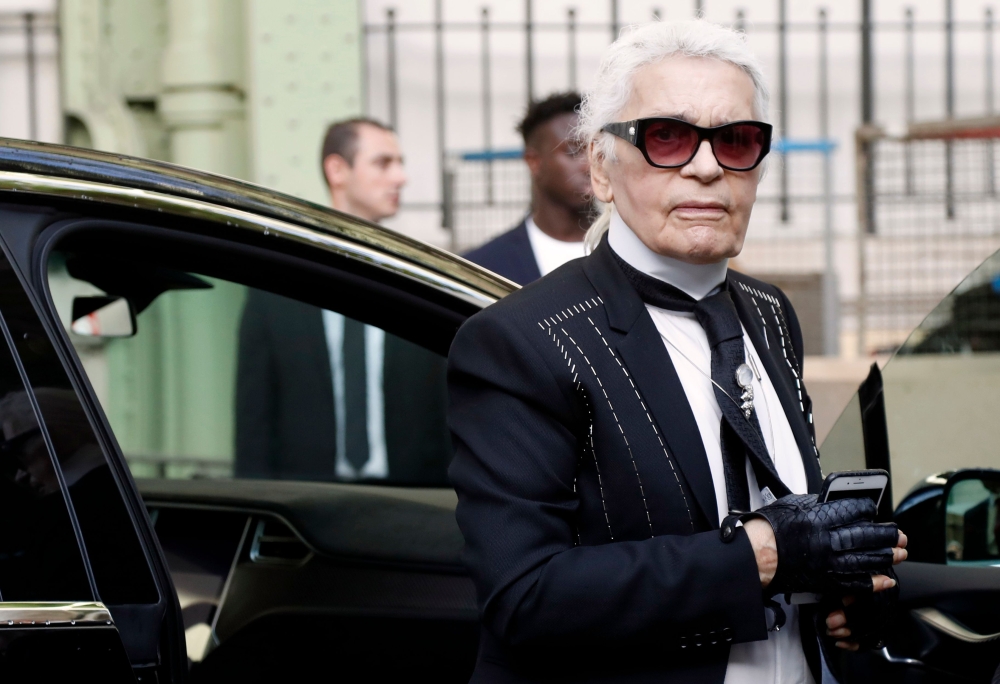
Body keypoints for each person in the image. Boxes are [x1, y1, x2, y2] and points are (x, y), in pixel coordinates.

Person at [448, 21, 908, 683]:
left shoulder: (771, 314)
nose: (706, 165)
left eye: (737, 140)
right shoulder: (523, 340)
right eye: (667, 137)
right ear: (601, 169)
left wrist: (845, 595)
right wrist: (767, 554)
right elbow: (525, 596)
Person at [235, 118, 450, 483]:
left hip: (414, 504)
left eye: (400, 163)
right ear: (337, 170)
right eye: (383, 163)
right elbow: (254, 419)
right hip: (307, 508)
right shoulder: (277, 285)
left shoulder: (420, 278)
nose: (400, 178)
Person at [464, 92, 593, 285]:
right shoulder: (484, 268)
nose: (590, 164)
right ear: (534, 162)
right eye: (574, 151)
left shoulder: (632, 252)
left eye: (596, 149)